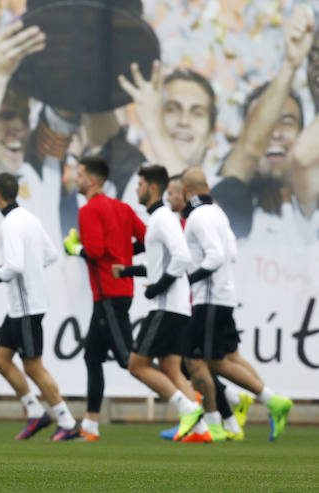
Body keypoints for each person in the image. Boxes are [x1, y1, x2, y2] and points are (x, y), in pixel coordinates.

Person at [180, 167, 293, 441]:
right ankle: (254, 404)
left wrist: (189, 278)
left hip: (209, 299)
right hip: (223, 296)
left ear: (185, 192)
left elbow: (217, 256)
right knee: (222, 359)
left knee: (198, 360)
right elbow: (231, 252)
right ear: (207, 186)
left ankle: (220, 420)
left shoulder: (198, 215)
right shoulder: (218, 213)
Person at [0, 173, 78, 441]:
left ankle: (67, 420)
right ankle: (36, 412)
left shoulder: (10, 223)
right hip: (22, 306)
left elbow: (15, 266)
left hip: (27, 306)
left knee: (33, 366)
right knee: (1, 360)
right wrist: (31, 271)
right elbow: (51, 254)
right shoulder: (30, 219)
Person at [111, 165, 204, 440]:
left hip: (167, 306)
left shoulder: (163, 219)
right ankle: (200, 429)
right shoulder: (158, 220)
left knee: (136, 364)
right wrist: (127, 270)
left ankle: (187, 409)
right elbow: (158, 265)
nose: (136, 190)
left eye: (139, 185)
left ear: (153, 188)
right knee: (170, 368)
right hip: (175, 307)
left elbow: (183, 258)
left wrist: (158, 288)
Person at [213, 6, 317, 241]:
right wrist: (291, 64)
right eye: (266, 125)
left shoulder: (313, 207)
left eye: (288, 122)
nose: (275, 134)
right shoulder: (222, 195)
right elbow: (250, 150)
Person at [62, 156, 146, 441]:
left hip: (109, 293)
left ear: (93, 180)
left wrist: (74, 249)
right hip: (117, 293)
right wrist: (125, 255)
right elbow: (145, 239)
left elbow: (96, 252)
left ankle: (188, 400)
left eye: (81, 174)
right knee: (93, 356)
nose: (76, 178)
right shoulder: (122, 207)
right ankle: (91, 426)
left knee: (130, 360)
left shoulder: (89, 210)